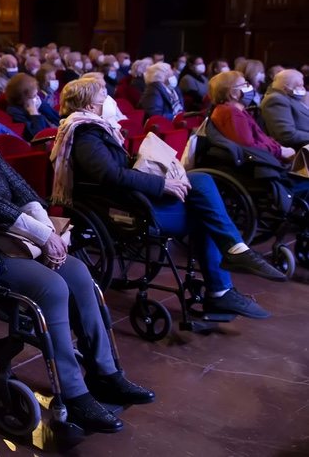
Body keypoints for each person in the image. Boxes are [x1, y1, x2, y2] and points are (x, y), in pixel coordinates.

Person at [0, 84, 155, 433]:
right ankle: (75, 393)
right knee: (53, 287)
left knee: (79, 274)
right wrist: (44, 236)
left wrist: (48, 230)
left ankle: (105, 373)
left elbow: (21, 189)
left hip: (12, 239)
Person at [52, 78, 285, 319]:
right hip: (120, 205)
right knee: (206, 213)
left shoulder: (95, 128)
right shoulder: (86, 134)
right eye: (103, 95)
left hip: (130, 195)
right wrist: (162, 183)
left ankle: (233, 257)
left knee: (201, 180)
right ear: (90, 106)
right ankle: (224, 282)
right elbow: (110, 175)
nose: (109, 99)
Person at [208, 71, 309, 198]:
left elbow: (260, 138)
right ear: (232, 93)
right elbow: (249, 148)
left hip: (269, 160)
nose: (249, 87)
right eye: (244, 84)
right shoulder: (230, 113)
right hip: (260, 169)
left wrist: (280, 148)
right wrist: (279, 151)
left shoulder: (237, 110)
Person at [261, 69, 309, 149]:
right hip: (299, 149)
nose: (303, 88)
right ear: (285, 88)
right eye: (299, 85)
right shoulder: (275, 99)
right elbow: (287, 135)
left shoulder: (288, 96)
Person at [5, 72, 59, 140]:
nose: (37, 98)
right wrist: (34, 113)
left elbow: (57, 119)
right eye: (34, 96)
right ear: (23, 97)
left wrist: (42, 106)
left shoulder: (37, 102)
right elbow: (38, 136)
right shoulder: (14, 111)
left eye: (37, 94)